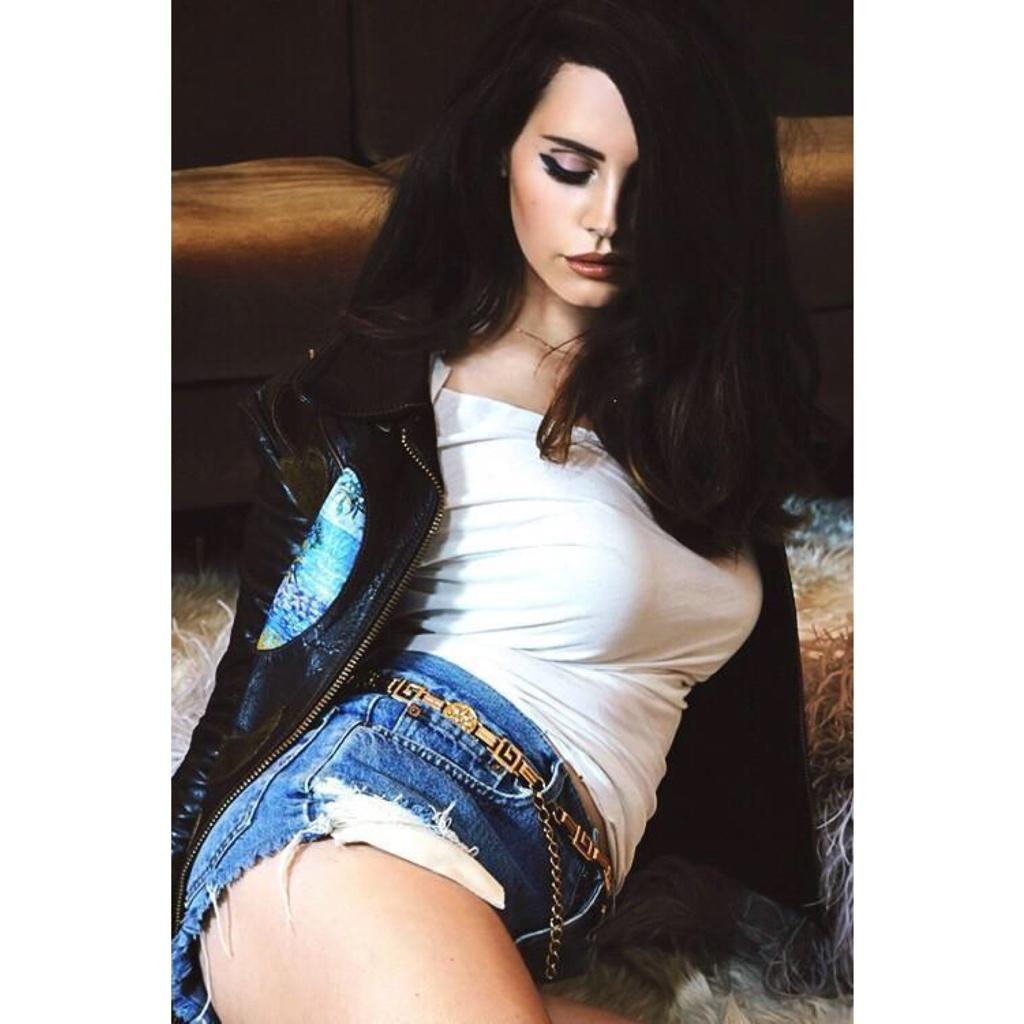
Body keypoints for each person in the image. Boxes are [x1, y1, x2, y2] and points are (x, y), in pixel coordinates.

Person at [171, 1, 827, 1021]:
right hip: (369, 804)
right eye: (569, 167)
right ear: (500, 156)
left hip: (533, 900)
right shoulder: (385, 392)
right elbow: (259, 672)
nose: (606, 218)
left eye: (651, 182)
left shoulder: (698, 415)